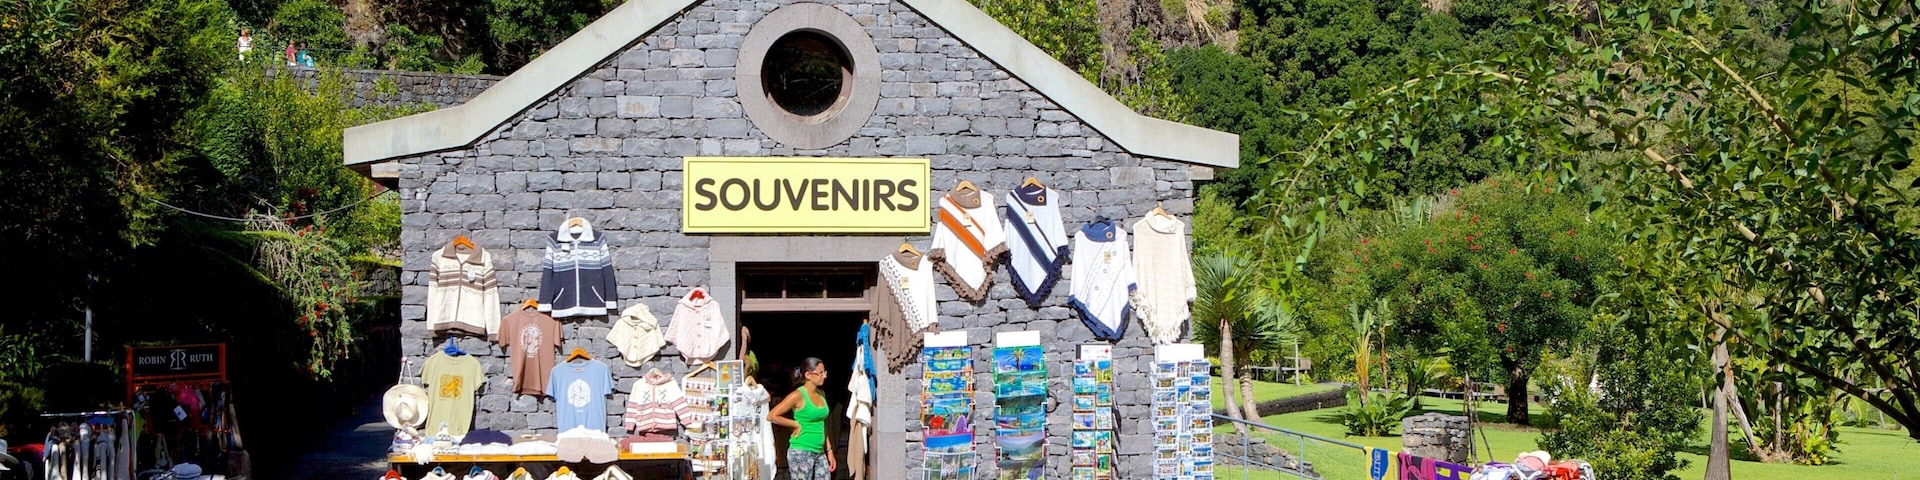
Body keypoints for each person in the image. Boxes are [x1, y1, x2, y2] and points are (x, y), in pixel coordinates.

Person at [768, 357, 834, 480]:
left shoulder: (821, 394)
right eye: (820, 373)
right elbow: (772, 415)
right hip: (801, 451)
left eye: (824, 372)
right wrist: (795, 424)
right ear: (808, 375)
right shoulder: (797, 395)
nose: (824, 376)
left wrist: (829, 450)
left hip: (819, 452)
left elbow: (822, 423)